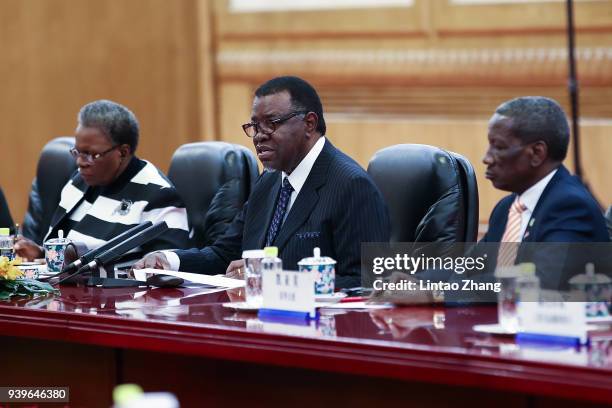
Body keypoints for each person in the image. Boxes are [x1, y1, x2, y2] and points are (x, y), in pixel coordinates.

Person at [135, 76, 390, 288]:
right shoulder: (269, 181)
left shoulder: (351, 186)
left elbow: (368, 282)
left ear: (309, 124)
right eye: (254, 126)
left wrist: (274, 280)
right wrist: (169, 260)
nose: (258, 137)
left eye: (271, 124)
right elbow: (226, 253)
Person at [14, 100, 190, 260]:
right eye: (78, 152)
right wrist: (41, 254)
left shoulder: (158, 194)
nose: (81, 162)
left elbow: (166, 273)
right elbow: (71, 256)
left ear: (122, 153)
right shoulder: (79, 181)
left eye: (92, 155)